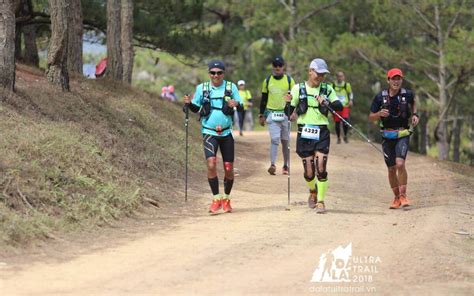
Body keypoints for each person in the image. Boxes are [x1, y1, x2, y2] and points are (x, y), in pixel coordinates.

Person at [183, 60, 242, 214]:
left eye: (219, 73)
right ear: (209, 73)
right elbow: (195, 108)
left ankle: (226, 198)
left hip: (226, 132)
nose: (216, 76)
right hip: (209, 132)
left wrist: (235, 104)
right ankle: (216, 198)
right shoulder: (202, 88)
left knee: (228, 168)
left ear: (223, 73)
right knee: (211, 163)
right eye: (213, 72)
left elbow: (240, 105)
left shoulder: (231, 87)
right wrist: (189, 104)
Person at [284, 58, 342, 213]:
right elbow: (289, 113)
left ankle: (321, 201)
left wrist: (327, 101)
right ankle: (313, 191)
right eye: (318, 73)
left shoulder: (327, 89)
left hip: (322, 130)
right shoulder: (298, 88)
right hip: (305, 131)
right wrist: (288, 103)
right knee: (309, 171)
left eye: (323, 74)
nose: (320, 77)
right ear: (310, 71)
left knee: (321, 166)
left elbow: (339, 106)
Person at [369, 68, 419, 209]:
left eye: (399, 79)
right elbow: (371, 116)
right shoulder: (380, 97)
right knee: (391, 169)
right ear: (388, 80)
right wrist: (379, 113)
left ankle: (403, 196)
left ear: (401, 80)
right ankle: (396, 198)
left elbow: (413, 102)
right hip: (387, 136)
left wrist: (415, 115)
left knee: (400, 164)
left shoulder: (407, 94)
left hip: (402, 134)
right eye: (393, 79)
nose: (396, 81)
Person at [259, 56, 296, 175]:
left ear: (283, 67)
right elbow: (263, 99)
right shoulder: (267, 80)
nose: (277, 68)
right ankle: (273, 164)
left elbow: (295, 98)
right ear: (272, 67)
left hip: (285, 114)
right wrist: (261, 114)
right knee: (274, 139)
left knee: (285, 141)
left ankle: (286, 165)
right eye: (275, 65)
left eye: (280, 65)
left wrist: (294, 112)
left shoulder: (290, 81)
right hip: (272, 114)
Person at [331, 71, 354, 144]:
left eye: (341, 76)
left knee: (345, 121)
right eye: (339, 76)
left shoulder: (347, 85)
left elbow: (350, 93)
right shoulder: (333, 85)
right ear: (337, 77)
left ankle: (345, 136)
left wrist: (351, 100)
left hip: (345, 106)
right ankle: (338, 138)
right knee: (337, 123)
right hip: (336, 106)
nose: (340, 78)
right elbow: (329, 93)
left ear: (343, 77)